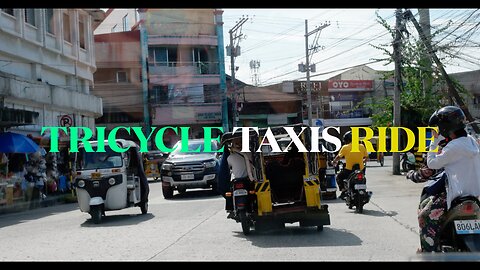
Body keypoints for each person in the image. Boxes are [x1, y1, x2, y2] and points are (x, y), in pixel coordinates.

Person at [416, 105, 480, 252]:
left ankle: (429, 252)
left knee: (425, 215)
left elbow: (432, 163)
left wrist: (434, 140)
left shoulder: (454, 147)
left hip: (457, 195)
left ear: (444, 128)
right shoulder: (471, 141)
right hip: (474, 195)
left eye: (439, 128)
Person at [332, 131, 368, 200]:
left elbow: (338, 157)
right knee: (363, 178)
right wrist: (362, 161)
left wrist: (334, 161)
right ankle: (363, 190)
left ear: (347, 140)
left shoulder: (345, 147)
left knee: (339, 177)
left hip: (349, 170)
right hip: (360, 169)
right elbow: (366, 158)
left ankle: (343, 191)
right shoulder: (361, 146)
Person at [224, 137, 255, 218]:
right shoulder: (249, 154)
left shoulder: (230, 158)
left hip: (237, 181)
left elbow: (229, 167)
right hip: (248, 180)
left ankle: (230, 209)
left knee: (229, 193)